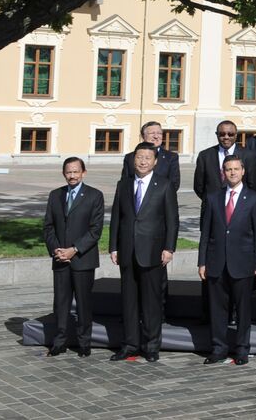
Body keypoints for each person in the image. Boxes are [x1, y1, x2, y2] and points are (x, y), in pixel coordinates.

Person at [108, 142, 177, 362]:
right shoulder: (123, 184)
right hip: (127, 250)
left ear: (155, 161)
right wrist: (114, 247)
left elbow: (172, 220)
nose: (143, 161)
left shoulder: (164, 185)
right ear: (133, 159)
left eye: (148, 157)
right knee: (128, 301)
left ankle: (151, 346)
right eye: (139, 157)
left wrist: (169, 247)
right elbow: (117, 219)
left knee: (151, 302)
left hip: (153, 252)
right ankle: (129, 344)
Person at [198, 154, 256, 365]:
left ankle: (242, 349)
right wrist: (202, 261)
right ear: (222, 173)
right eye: (228, 169)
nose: (232, 173)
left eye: (236, 169)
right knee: (218, 310)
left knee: (243, 310)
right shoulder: (213, 198)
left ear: (243, 171)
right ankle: (218, 348)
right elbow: (205, 232)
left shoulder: (254, 198)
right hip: (216, 262)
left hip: (243, 263)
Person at [43, 156, 104, 357]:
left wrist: (74, 249)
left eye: (76, 172)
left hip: (82, 259)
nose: (72, 176)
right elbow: (48, 227)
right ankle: (59, 341)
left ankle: (84, 343)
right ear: (63, 173)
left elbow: (95, 230)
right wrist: (57, 250)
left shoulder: (95, 196)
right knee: (60, 303)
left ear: (83, 173)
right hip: (60, 259)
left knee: (84, 303)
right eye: (68, 172)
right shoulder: (55, 195)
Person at [192, 120, 243, 208]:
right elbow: (198, 186)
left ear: (236, 135)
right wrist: (210, 200)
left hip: (240, 209)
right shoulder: (205, 156)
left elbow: (253, 185)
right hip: (211, 208)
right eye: (222, 134)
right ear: (217, 134)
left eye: (230, 134)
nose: (226, 137)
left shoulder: (248, 155)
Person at [121, 121, 181, 189]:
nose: (156, 136)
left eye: (159, 133)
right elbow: (125, 183)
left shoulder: (171, 157)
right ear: (143, 136)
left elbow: (174, 184)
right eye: (152, 133)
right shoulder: (130, 157)